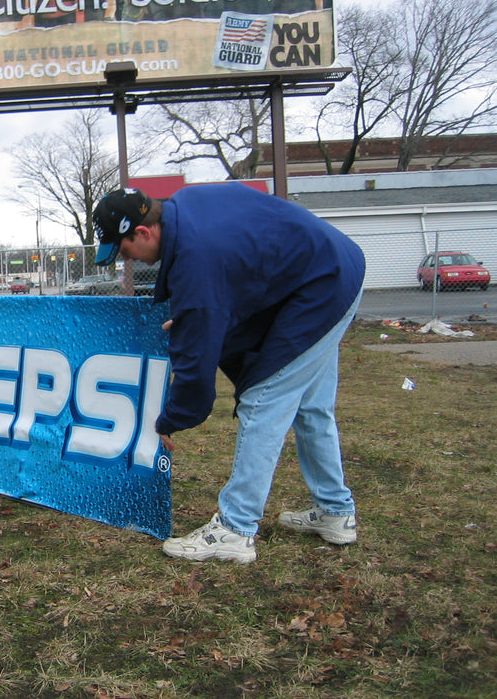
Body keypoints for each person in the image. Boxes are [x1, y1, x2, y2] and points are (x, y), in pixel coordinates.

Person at [93, 183, 365, 563]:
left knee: (264, 400)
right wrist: (197, 317)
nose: (128, 261)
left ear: (143, 232)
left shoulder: (195, 257)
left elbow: (197, 373)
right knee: (311, 407)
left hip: (322, 285)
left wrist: (169, 420)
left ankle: (236, 529)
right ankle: (336, 512)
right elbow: (239, 276)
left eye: (125, 251)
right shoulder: (185, 205)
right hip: (335, 266)